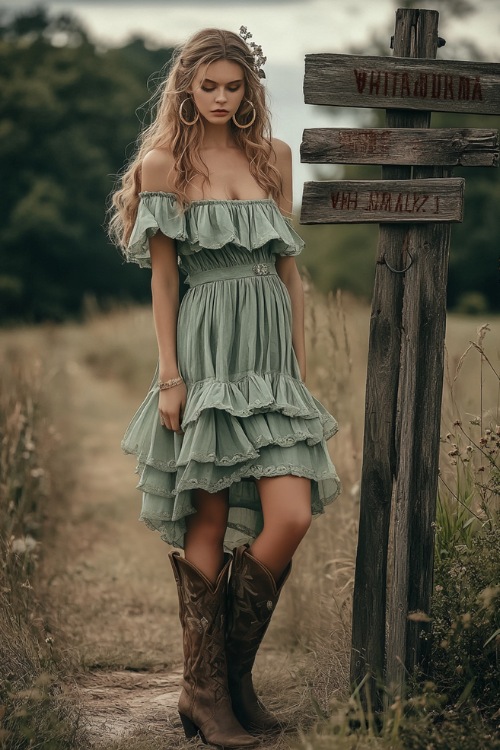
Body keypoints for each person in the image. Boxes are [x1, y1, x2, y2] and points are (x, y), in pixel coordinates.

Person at [108, 26, 340, 749]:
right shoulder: (163, 165)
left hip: (270, 362)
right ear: (185, 86)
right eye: (206, 85)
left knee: (290, 515)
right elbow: (165, 279)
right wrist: (171, 379)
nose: (219, 98)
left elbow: (289, 271)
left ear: (250, 91)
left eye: (232, 86)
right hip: (206, 352)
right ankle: (206, 695)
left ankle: (228, 679)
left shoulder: (273, 157)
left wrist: (298, 367)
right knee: (206, 518)